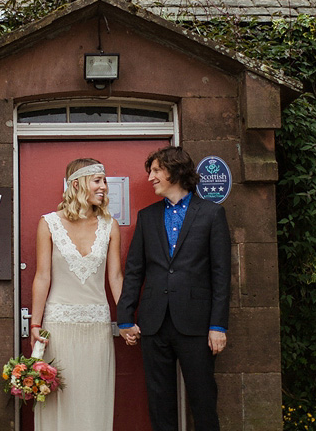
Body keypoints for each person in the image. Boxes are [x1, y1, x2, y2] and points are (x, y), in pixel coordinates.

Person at [116, 146, 231, 431]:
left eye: (156, 170)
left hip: (197, 324)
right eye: (150, 171)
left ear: (176, 171)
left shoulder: (212, 214)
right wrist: (125, 317)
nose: (150, 177)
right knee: (159, 401)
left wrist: (218, 325)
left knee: (203, 400)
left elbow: (221, 274)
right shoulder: (147, 217)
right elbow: (134, 271)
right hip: (154, 324)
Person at [29, 158, 123, 430]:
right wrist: (35, 324)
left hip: (97, 328)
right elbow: (42, 277)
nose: (104, 187)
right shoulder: (48, 223)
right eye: (97, 180)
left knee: (93, 400)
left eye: (104, 181)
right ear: (77, 184)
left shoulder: (110, 225)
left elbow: (115, 277)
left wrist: (127, 319)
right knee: (58, 401)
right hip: (58, 328)